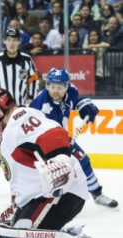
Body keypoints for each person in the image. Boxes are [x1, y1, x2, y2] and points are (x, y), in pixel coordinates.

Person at [0, 88, 102, 238]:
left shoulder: (19, 119)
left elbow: (53, 133)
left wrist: (60, 160)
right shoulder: (10, 133)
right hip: (45, 196)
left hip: (58, 192)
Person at [30, 68, 118, 208]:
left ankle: (97, 194)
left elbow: (75, 101)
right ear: (47, 86)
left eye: (59, 87)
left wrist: (83, 105)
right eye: (52, 87)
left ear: (66, 86)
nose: (56, 91)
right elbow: (34, 131)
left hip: (61, 137)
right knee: (54, 172)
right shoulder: (40, 104)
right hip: (43, 142)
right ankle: (48, 202)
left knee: (83, 160)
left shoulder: (71, 90)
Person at [0, 28, 40, 192]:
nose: (12, 43)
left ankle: (24, 177)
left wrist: (31, 99)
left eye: (15, 40)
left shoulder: (27, 60)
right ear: (5, 41)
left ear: (19, 42)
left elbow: (33, 80)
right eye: (9, 40)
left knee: (22, 143)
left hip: (19, 110)